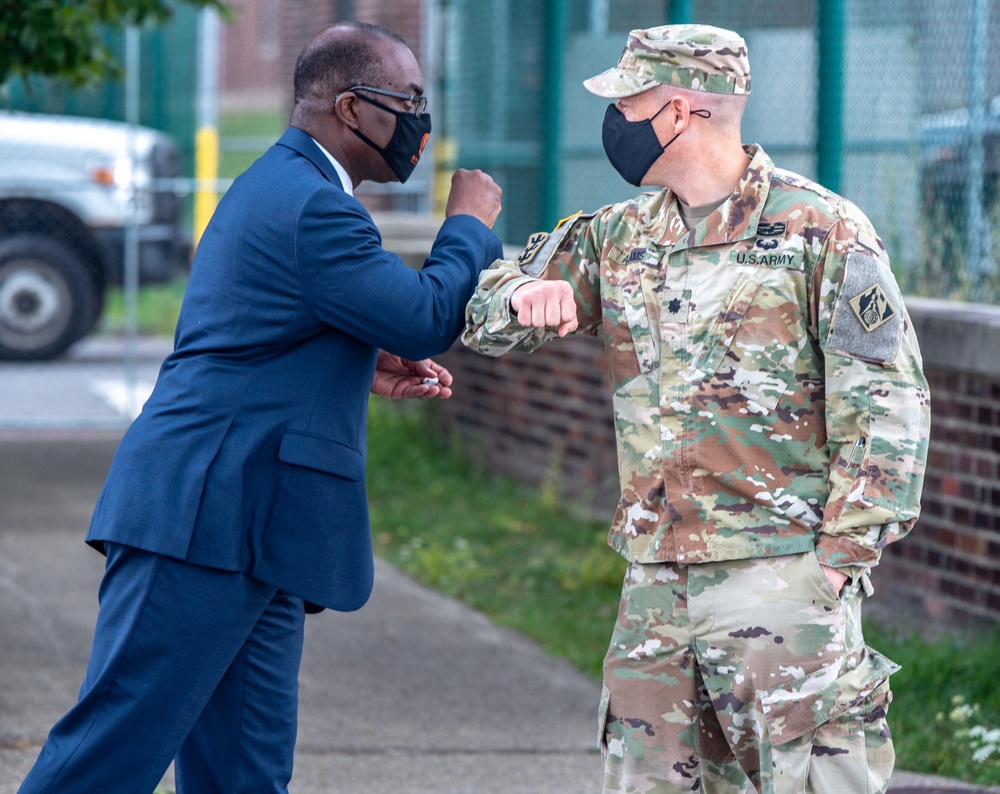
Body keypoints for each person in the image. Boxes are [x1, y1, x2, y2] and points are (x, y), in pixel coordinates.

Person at [20, 21, 502, 794]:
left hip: (262, 535)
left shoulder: (287, 187)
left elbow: (254, 332)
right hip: (203, 521)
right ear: (350, 107)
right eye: (408, 100)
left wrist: (349, 364)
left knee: (243, 774)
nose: (421, 119)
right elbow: (421, 315)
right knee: (108, 757)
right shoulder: (312, 206)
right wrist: (468, 227)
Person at [463, 23, 929, 794]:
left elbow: (888, 408)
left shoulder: (822, 231)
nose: (615, 120)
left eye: (629, 101)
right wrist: (521, 292)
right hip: (655, 586)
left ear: (679, 111)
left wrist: (838, 568)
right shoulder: (619, 235)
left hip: (780, 581)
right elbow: (483, 314)